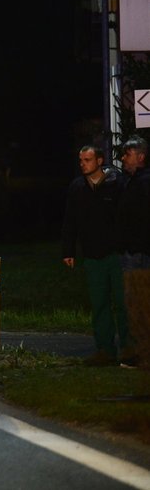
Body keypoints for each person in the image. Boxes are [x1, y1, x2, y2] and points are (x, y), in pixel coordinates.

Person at [60, 144, 129, 366]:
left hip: (116, 253)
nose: (83, 164)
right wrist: (68, 250)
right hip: (92, 254)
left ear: (99, 161)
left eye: (87, 160)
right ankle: (105, 350)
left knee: (122, 302)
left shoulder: (116, 184)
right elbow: (70, 221)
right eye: (81, 160)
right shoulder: (77, 187)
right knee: (99, 304)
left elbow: (127, 216)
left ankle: (129, 349)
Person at [117, 135, 150, 368]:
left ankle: (143, 355)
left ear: (140, 157)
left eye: (127, 155)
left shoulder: (143, 182)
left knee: (139, 303)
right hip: (131, 249)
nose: (123, 159)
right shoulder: (131, 182)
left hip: (139, 252)